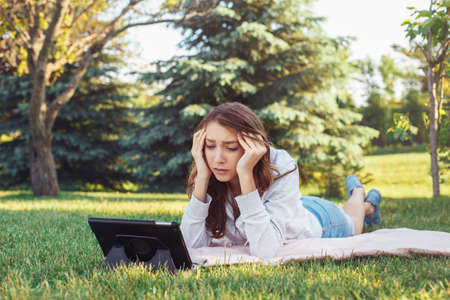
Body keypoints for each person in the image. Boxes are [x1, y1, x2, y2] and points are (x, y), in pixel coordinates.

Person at [181, 102, 381, 258]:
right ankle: (368, 204)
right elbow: (190, 245)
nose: (218, 159)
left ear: (251, 145)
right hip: (291, 207)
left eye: (231, 147)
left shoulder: (280, 164)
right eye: (210, 146)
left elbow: (266, 251)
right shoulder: (210, 172)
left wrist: (245, 173)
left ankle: (360, 195)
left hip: (321, 219)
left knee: (354, 221)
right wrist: (202, 176)